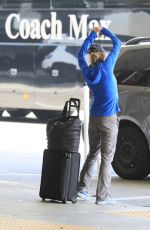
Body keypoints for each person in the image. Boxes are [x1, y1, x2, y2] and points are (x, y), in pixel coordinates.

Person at [77, 25, 122, 205]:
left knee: (92, 153)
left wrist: (92, 35)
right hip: (108, 119)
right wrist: (102, 30)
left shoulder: (87, 70)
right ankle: (103, 197)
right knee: (106, 158)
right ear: (103, 56)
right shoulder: (107, 66)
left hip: (94, 119)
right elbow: (117, 43)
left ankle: (82, 189)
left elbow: (80, 53)